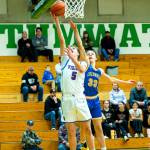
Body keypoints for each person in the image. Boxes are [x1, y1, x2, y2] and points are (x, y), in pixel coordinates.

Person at [53, 15, 95, 150]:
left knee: (88, 129)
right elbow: (61, 40)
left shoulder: (84, 62)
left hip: (80, 98)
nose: (70, 49)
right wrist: (57, 22)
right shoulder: (64, 61)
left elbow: (81, 67)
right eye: (69, 49)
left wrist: (76, 31)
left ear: (77, 53)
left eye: (73, 49)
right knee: (71, 132)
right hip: (66, 99)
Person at [81, 50, 134, 149]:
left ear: (96, 58)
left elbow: (112, 79)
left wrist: (126, 82)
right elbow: (82, 51)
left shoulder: (99, 71)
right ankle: (83, 142)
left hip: (95, 101)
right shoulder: (84, 67)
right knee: (86, 128)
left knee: (99, 128)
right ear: (85, 57)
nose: (90, 55)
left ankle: (103, 148)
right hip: (85, 100)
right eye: (88, 54)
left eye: (92, 54)